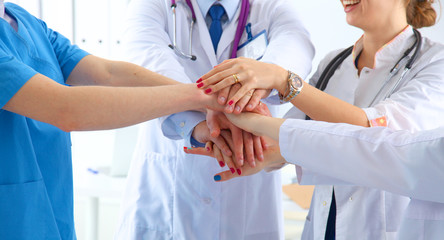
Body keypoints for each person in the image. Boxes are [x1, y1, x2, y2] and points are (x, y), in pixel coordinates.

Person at [199, 0, 444, 239]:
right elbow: (284, 140)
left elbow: (373, 137)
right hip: (324, 226)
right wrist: (234, 128)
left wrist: (285, 81)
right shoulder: (333, 64)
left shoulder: (435, 61)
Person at [0, 2, 219, 239]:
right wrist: (199, 97)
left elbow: (107, 73)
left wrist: (206, 102)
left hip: (51, 218)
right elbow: (66, 109)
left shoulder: (23, 20)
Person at [114, 0, 314, 239]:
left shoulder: (271, 7)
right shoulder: (155, 4)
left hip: (248, 201)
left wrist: (249, 93)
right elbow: (144, 57)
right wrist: (201, 119)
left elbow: (295, 48)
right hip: (166, 201)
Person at [186, 113, 444, 239]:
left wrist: (281, 89)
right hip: (323, 221)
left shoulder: (433, 61)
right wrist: (263, 145)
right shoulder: (333, 63)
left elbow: (388, 150)